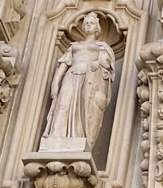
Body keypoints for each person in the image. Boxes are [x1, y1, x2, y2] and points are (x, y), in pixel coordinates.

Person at [42, 12, 116, 149]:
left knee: (83, 108)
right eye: (86, 23)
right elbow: (63, 66)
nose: (88, 25)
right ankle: (56, 135)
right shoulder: (74, 46)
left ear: (97, 28)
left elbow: (106, 66)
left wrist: (97, 64)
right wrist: (55, 84)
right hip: (71, 76)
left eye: (91, 23)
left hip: (88, 79)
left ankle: (78, 136)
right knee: (63, 104)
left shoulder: (102, 47)